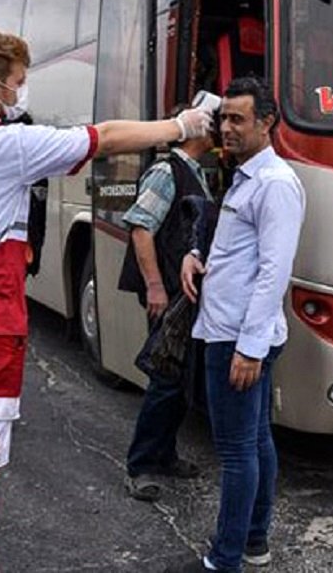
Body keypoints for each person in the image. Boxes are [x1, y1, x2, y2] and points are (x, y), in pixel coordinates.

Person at [0, 28, 212, 573]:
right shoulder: (9, 147)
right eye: (19, 83)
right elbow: (105, 136)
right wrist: (181, 125)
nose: (21, 92)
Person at [170, 77, 306, 573]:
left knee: (235, 451)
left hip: (237, 337)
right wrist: (195, 254)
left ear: (266, 123)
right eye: (222, 118)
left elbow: (274, 271)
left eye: (237, 120)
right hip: (229, 329)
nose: (225, 128)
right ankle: (252, 543)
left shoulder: (274, 185)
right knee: (255, 441)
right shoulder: (246, 176)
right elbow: (234, 249)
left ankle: (224, 560)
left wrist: (249, 348)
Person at [117, 105, 216, 502]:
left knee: (178, 377)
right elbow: (142, 229)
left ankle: (165, 454)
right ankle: (140, 465)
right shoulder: (165, 171)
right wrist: (155, 286)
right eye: (214, 123)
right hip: (169, 292)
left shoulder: (195, 171)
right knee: (165, 379)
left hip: (183, 291)